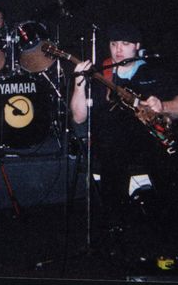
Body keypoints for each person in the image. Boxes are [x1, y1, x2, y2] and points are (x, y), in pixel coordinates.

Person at [70, 23, 178, 232]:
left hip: (152, 141)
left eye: (125, 44)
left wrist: (163, 106)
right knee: (112, 156)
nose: (118, 50)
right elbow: (79, 117)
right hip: (113, 145)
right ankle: (115, 230)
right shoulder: (102, 74)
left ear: (137, 45)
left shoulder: (155, 71)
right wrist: (78, 85)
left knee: (166, 169)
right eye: (114, 44)